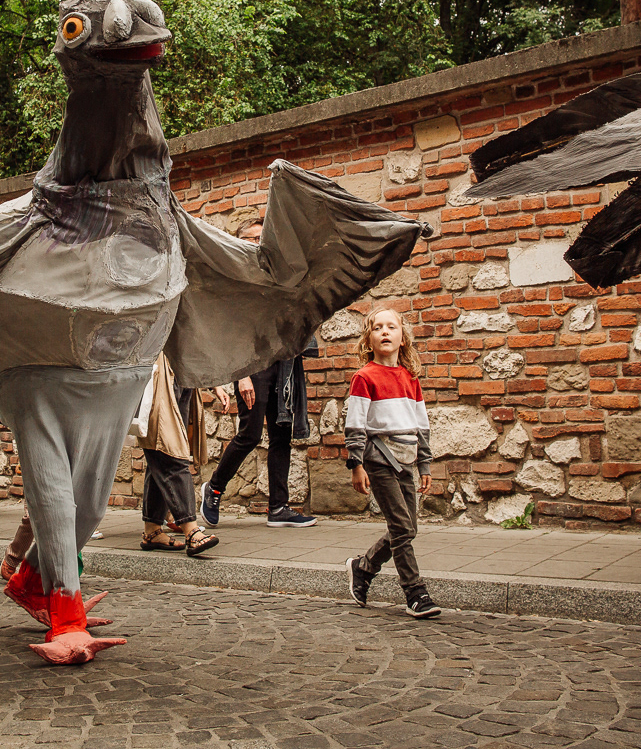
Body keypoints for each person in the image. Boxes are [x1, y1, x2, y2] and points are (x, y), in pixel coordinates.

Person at [200, 219, 318, 528]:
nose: (255, 242)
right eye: (248, 238)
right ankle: (213, 488)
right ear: (239, 243)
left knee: (281, 435)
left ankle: (279, 508)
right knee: (250, 434)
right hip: (252, 366)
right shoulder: (237, 279)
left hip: (284, 364)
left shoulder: (280, 277)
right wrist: (242, 375)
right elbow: (233, 331)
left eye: (259, 237)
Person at [343, 306, 438, 618]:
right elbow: (355, 425)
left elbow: (421, 425)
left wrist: (424, 463)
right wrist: (356, 464)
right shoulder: (364, 377)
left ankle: (363, 567)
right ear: (369, 340)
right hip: (378, 460)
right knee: (401, 526)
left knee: (407, 529)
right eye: (377, 328)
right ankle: (415, 593)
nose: (385, 332)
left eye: (391, 327)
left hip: (406, 460)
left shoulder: (410, 379)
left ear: (403, 338)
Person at [134, 355, 218, 557]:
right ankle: (191, 529)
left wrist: (214, 383)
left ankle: (152, 530)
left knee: (160, 449)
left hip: (182, 369)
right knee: (170, 449)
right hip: (159, 367)